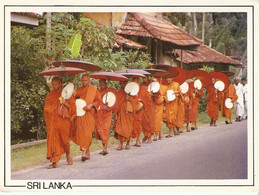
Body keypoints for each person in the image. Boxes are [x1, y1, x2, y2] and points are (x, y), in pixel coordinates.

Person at [44, 77, 75, 169]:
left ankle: (68, 154)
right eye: (53, 84)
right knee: (53, 140)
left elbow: (73, 108)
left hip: (63, 120)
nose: (54, 86)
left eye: (56, 84)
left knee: (64, 139)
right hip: (53, 121)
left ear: (60, 84)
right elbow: (46, 109)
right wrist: (50, 111)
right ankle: (54, 161)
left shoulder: (67, 94)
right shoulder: (50, 95)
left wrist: (65, 103)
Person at [71, 74, 101, 161]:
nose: (84, 82)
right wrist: (71, 93)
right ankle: (84, 151)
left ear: (89, 81)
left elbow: (98, 101)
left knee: (87, 133)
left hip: (89, 114)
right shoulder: (79, 90)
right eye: (83, 80)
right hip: (81, 113)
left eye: (86, 80)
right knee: (82, 133)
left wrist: (91, 105)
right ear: (81, 81)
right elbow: (73, 98)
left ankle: (86, 150)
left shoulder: (93, 89)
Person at [95, 79, 116, 155]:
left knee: (106, 130)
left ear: (106, 84)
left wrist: (108, 107)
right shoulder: (98, 92)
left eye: (103, 84)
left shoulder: (111, 91)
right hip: (99, 114)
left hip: (107, 114)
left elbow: (114, 102)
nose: (101, 86)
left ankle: (105, 148)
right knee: (100, 129)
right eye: (100, 85)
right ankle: (103, 146)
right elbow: (96, 102)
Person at [113, 81, 134, 150]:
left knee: (128, 128)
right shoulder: (119, 92)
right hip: (121, 113)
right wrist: (115, 114)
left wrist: (130, 99)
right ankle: (121, 144)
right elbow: (116, 104)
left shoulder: (132, 92)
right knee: (120, 128)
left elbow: (136, 102)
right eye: (121, 83)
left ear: (127, 83)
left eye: (124, 83)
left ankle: (128, 143)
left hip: (129, 113)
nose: (122, 85)